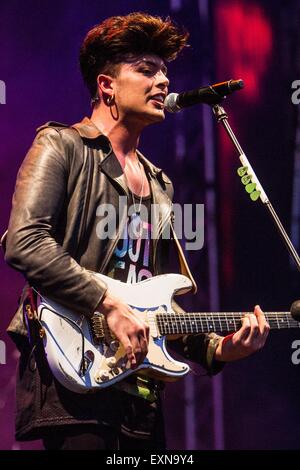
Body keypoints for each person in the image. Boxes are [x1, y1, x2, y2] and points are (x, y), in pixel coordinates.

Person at [3, 12, 269, 450]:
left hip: (142, 394)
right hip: (77, 381)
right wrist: (106, 303)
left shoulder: (160, 184)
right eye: (146, 70)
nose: (163, 81)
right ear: (106, 85)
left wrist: (218, 349)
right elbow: (25, 242)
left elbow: (157, 297)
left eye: (164, 70)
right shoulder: (62, 147)